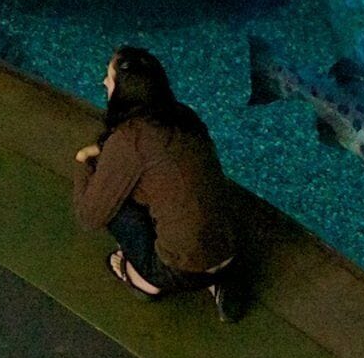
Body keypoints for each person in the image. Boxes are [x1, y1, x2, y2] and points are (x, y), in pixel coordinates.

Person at [72, 45, 241, 318]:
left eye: (109, 77)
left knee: (115, 204)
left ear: (124, 91)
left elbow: (89, 217)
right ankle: (218, 279)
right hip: (230, 248)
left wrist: (84, 163)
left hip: (180, 269)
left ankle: (143, 280)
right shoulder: (185, 117)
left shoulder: (130, 140)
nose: (104, 81)